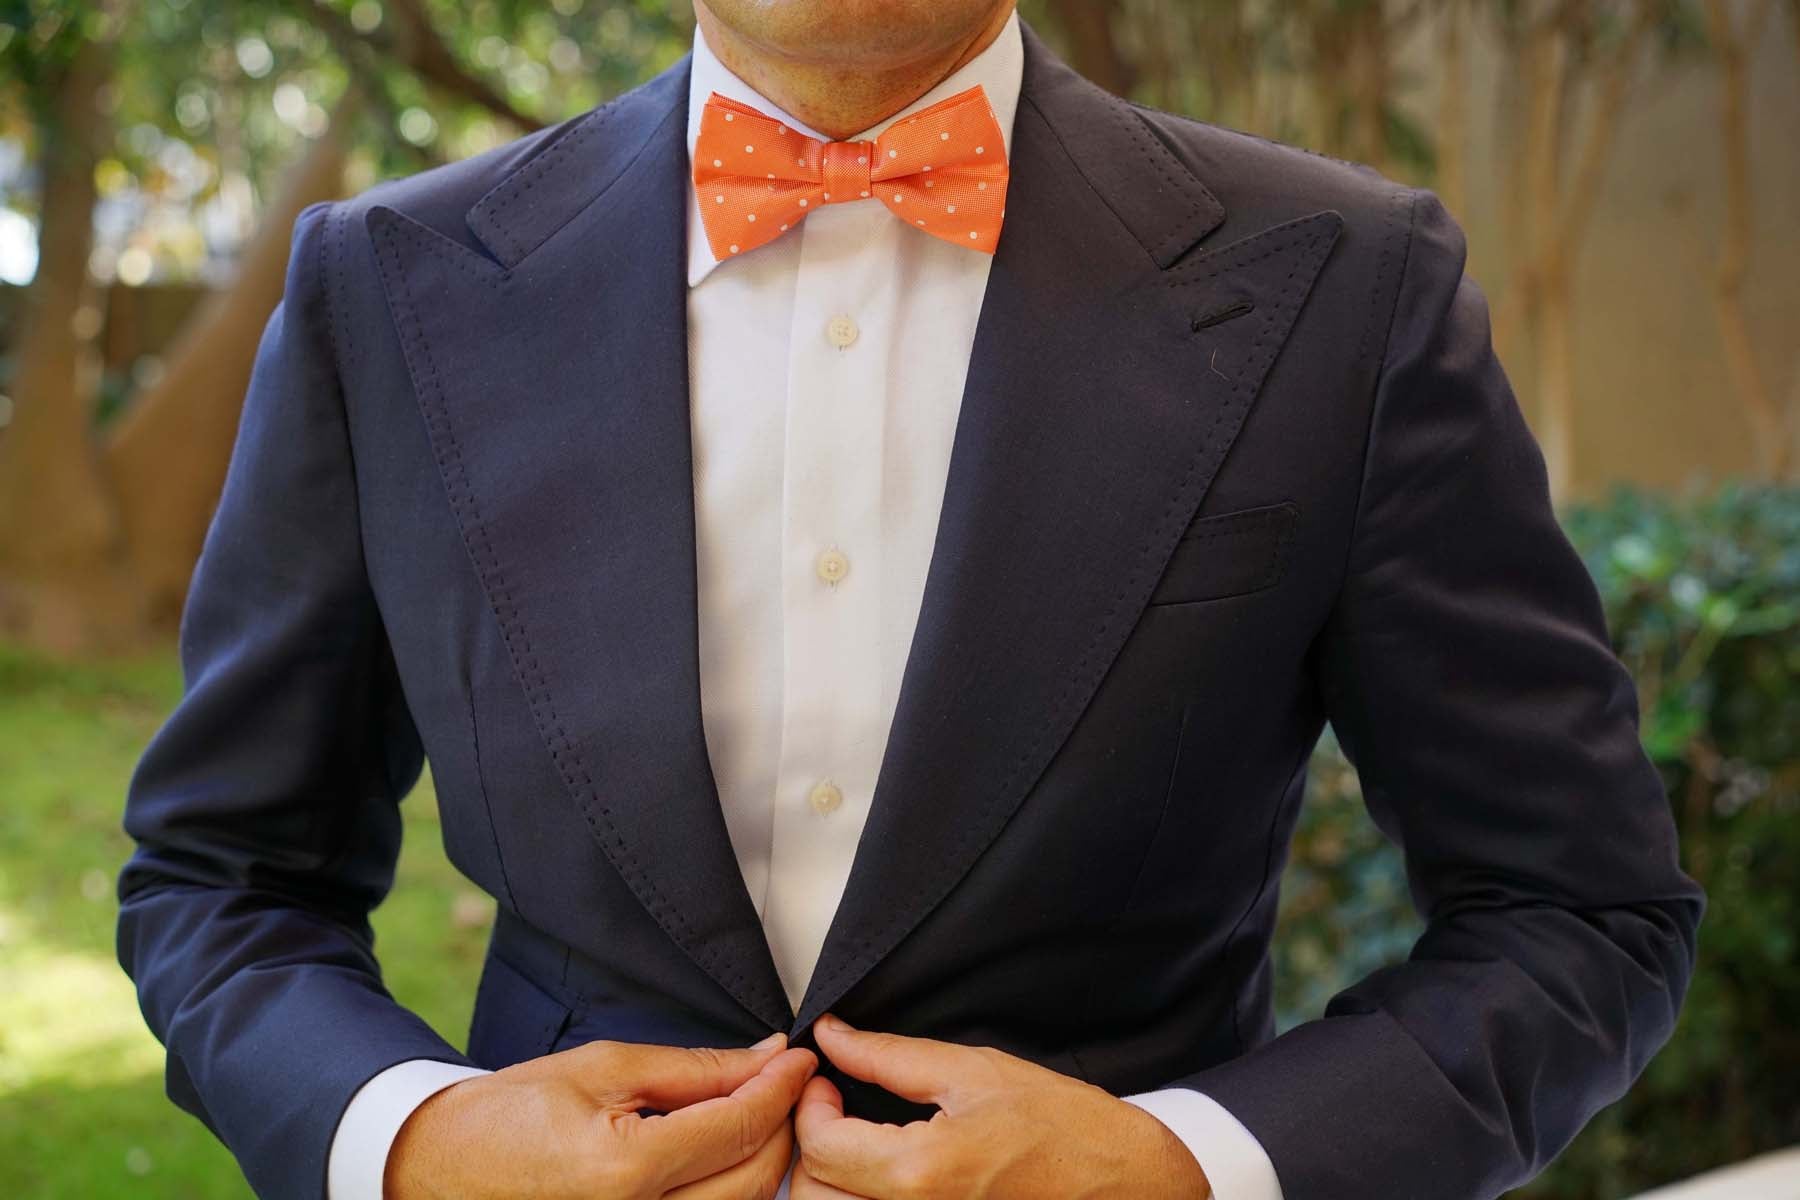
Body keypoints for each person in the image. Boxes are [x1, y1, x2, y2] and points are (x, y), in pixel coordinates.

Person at [115, 2, 1705, 1198]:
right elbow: (223, 877)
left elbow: (1581, 914)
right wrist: (415, 1138)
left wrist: (1192, 1166)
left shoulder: (1348, 287)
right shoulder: (387, 288)